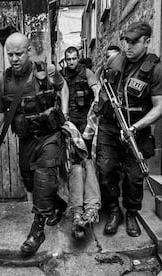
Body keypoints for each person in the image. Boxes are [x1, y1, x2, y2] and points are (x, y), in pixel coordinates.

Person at [0, 32, 69, 255]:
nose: (14, 59)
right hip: (26, 139)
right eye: (10, 55)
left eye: (18, 54)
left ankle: (37, 231)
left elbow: (62, 87)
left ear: (28, 51)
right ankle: (57, 204)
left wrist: (64, 114)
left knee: (44, 178)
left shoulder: (46, 71)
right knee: (30, 182)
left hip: (50, 136)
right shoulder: (2, 82)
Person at [95, 22, 162, 237]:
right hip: (109, 126)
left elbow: (160, 107)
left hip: (136, 129)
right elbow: (101, 81)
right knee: (106, 169)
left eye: (134, 42)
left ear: (146, 42)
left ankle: (131, 213)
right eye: (126, 40)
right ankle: (113, 210)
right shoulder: (114, 60)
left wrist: (135, 127)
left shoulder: (156, 70)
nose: (128, 45)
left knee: (133, 175)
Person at [60, 47, 102, 239]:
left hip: (87, 124)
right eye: (68, 59)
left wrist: (94, 119)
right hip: (69, 126)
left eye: (74, 58)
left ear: (78, 58)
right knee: (74, 166)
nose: (71, 62)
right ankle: (78, 211)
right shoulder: (61, 75)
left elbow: (97, 91)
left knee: (88, 163)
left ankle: (90, 208)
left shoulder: (87, 72)